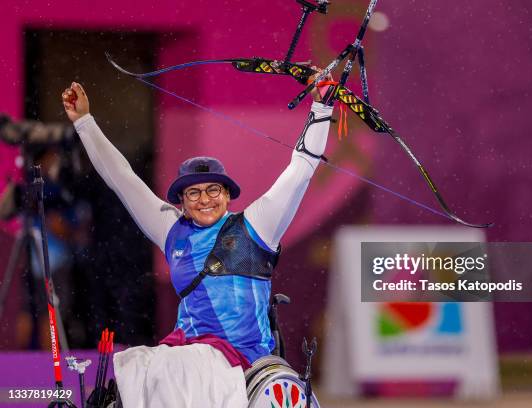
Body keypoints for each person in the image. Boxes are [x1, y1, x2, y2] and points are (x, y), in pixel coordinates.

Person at [61, 71, 333, 407]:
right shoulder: (172, 230)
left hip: (240, 356)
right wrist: (84, 122)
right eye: (194, 193)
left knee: (174, 368)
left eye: (213, 189)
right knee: (137, 366)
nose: (204, 199)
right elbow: (122, 178)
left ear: (227, 194)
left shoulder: (257, 225)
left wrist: (322, 107)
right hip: (186, 350)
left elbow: (301, 168)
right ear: (182, 202)